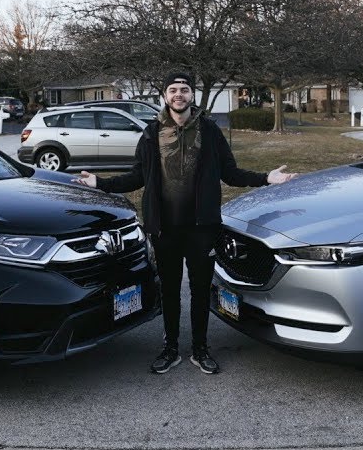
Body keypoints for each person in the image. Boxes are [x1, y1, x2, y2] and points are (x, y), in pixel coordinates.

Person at [76, 71, 297, 374]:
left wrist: (265, 178)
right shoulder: (152, 133)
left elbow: (230, 173)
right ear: (164, 96)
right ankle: (170, 349)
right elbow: (137, 176)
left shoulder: (209, 131)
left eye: (184, 90)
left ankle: (200, 349)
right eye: (173, 90)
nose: (178, 94)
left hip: (201, 229)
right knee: (168, 290)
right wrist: (100, 182)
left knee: (200, 290)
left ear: (192, 95)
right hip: (164, 229)